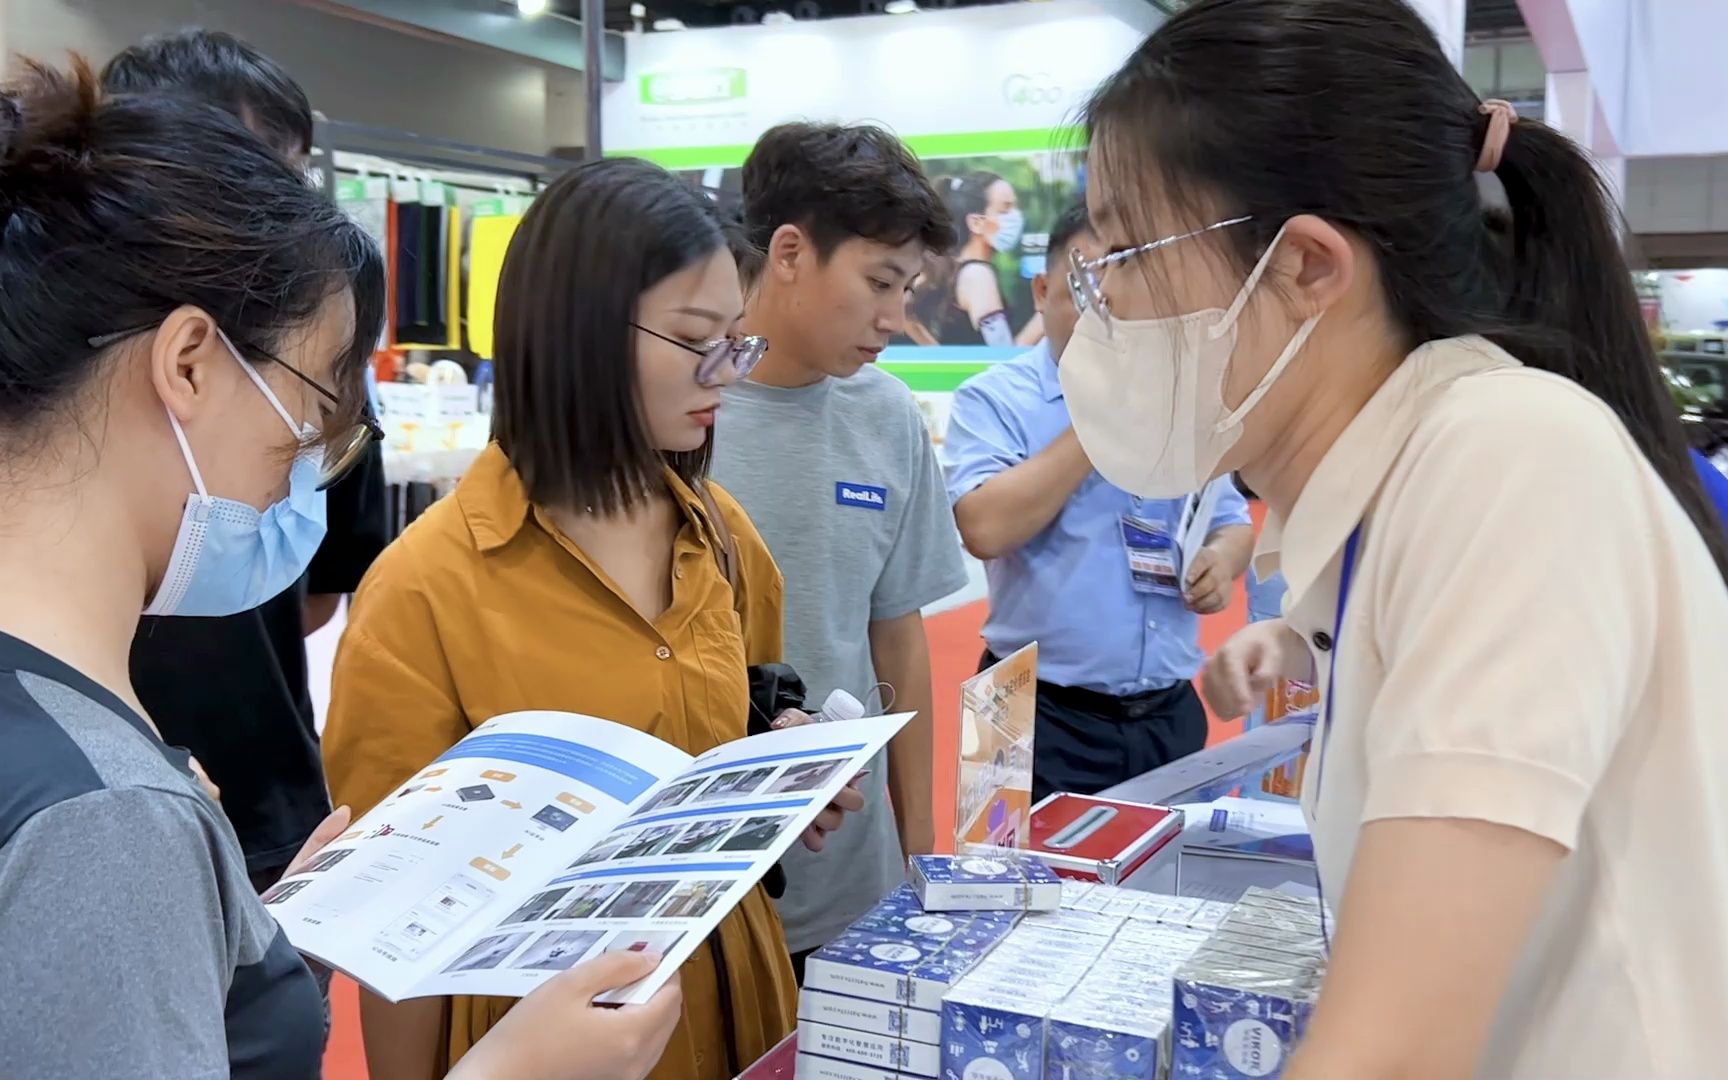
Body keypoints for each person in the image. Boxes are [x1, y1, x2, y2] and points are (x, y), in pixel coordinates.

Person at [1062, 1, 1728, 1076]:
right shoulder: (1407, 489)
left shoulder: (1506, 457)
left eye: (1127, 250)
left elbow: (1392, 1054)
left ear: (1308, 267)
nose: (1095, 304)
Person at [0, 57, 679, 1080]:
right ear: (188, 363)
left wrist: (246, 949)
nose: (311, 457)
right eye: (315, 403)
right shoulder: (107, 816)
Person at [322, 157, 858, 1080]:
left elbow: (751, 710)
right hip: (540, 1037)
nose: (727, 371)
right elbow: (391, 929)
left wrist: (784, 772)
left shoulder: (720, 536)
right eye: (699, 338)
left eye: (738, 339)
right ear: (581, 335)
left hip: (739, 992)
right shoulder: (424, 591)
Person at [104, 29, 393, 895]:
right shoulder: (60, 366)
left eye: (290, 175)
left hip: (269, 805)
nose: (274, 209)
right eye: (243, 171)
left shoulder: (313, 368)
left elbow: (323, 586)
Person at [713, 121, 969, 979]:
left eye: (909, 288)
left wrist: (920, 848)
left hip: (855, 880)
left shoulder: (887, 416)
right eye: (879, 283)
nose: (894, 319)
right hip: (706, 885)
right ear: (789, 252)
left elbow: (897, 638)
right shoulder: (680, 410)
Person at [945, 203, 1253, 799]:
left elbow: (1232, 521)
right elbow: (985, 527)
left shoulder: (1186, 403)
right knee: (1006, 888)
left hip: (1168, 710)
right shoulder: (995, 399)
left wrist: (1223, 560)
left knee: (1167, 885)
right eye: (1086, 292)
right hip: (1024, 708)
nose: (1108, 314)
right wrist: (1102, 412)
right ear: (1041, 291)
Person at [928, 172, 1022, 346]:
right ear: (976, 223)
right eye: (1005, 209)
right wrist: (1045, 317)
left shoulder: (956, 268)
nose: (1015, 217)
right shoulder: (978, 275)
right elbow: (1003, 353)